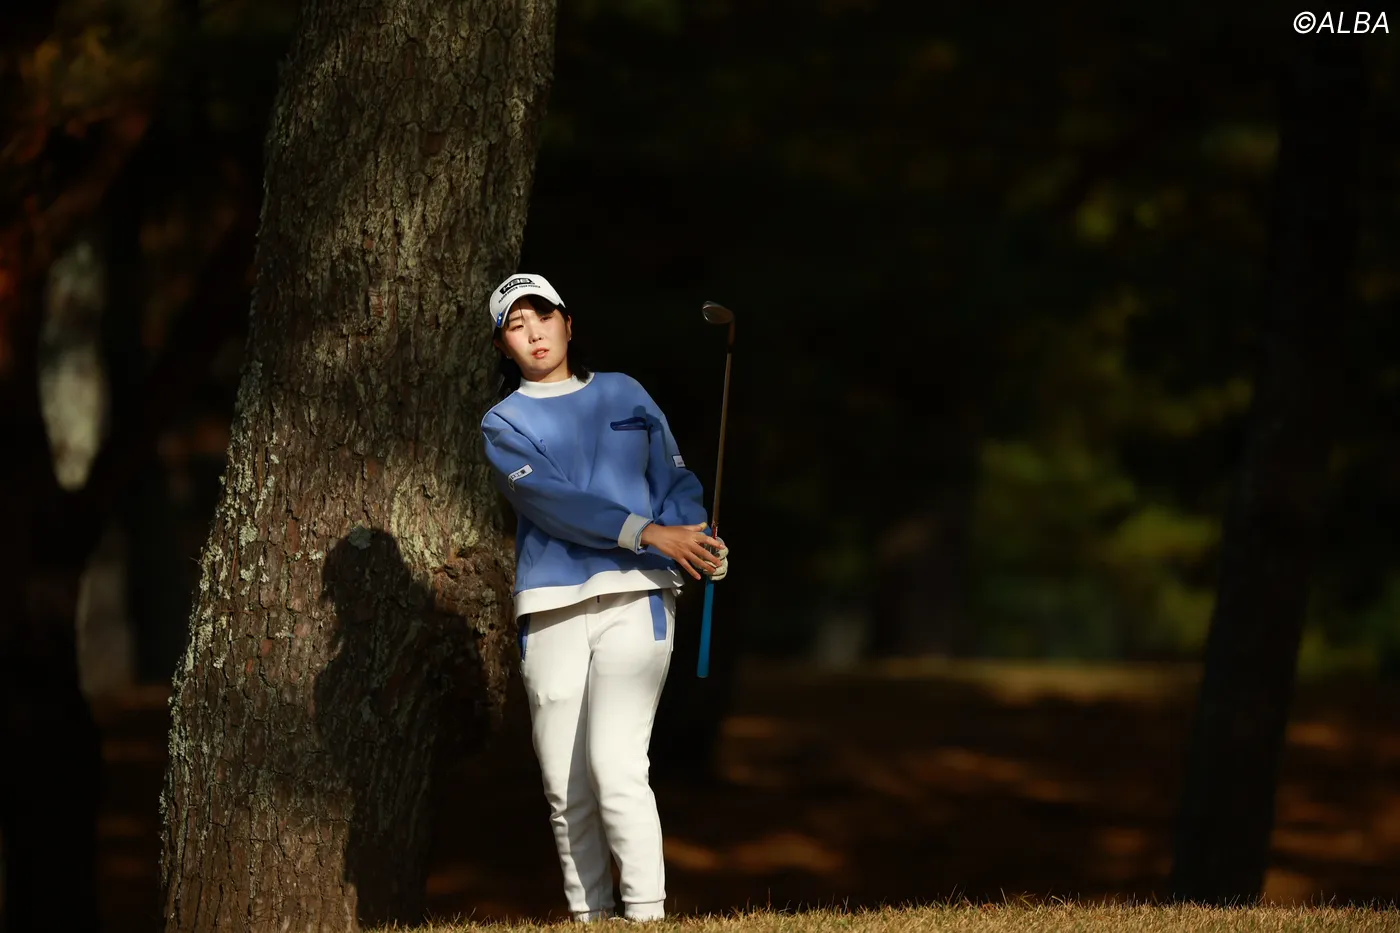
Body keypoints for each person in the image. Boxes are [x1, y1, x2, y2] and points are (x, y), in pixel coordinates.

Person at [478, 272, 729, 923]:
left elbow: (673, 478)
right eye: (515, 325)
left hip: (637, 595)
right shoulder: (502, 423)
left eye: (543, 316)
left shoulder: (625, 392)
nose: (534, 333)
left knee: (615, 766)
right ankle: (589, 917)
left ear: (568, 323)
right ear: (503, 346)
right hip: (550, 605)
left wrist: (695, 537)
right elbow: (552, 501)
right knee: (566, 786)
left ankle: (645, 914)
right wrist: (647, 531)